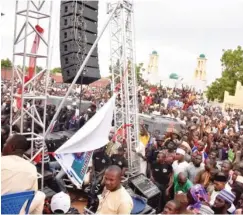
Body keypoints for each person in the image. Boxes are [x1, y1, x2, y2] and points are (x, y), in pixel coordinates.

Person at [1, 134, 45, 214]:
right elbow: (33, 193)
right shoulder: (32, 168)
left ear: (12, 147)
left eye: (5, 143)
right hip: (15, 211)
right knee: (40, 195)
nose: (3, 145)